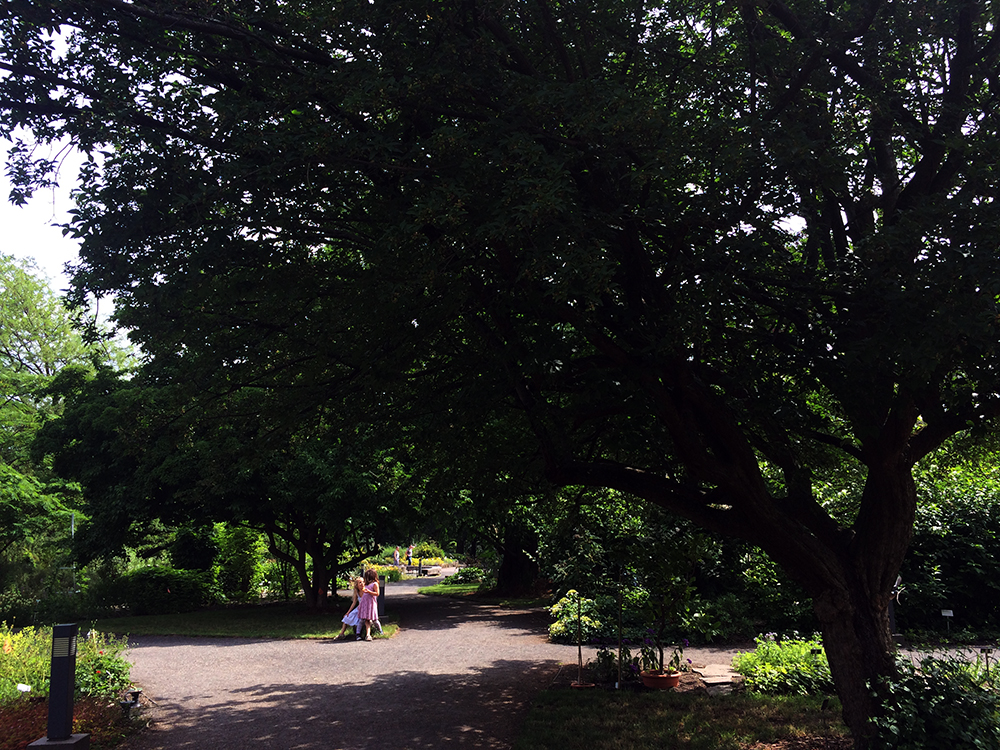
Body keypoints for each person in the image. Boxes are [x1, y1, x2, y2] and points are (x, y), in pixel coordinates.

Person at [357, 568, 380, 641]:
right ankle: (359, 633)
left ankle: (380, 631)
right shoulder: (366, 584)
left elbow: (377, 593)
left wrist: (369, 592)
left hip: (371, 604)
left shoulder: (375, 584)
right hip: (365, 604)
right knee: (364, 619)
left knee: (375, 620)